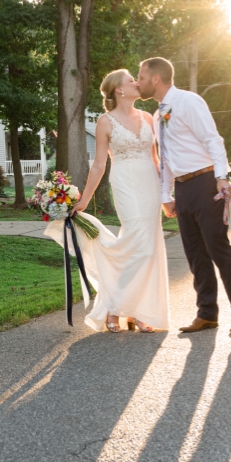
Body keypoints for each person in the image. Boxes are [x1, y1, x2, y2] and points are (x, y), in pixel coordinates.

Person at [136, 57, 231, 334]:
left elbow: (213, 140)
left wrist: (221, 177)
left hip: (206, 182)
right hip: (183, 189)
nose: (138, 82)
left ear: (155, 79)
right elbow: (165, 158)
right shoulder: (156, 115)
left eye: (140, 77)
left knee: (218, 249)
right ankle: (207, 313)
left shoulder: (189, 102)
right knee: (195, 255)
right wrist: (166, 195)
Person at [54, 69, 170, 333]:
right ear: (119, 89)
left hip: (149, 183)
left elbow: (156, 159)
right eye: (132, 80)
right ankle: (115, 308)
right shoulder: (105, 122)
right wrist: (83, 199)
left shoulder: (147, 118)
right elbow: (98, 165)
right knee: (138, 243)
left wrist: (167, 194)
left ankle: (140, 311)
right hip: (125, 182)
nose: (136, 83)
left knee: (148, 247)